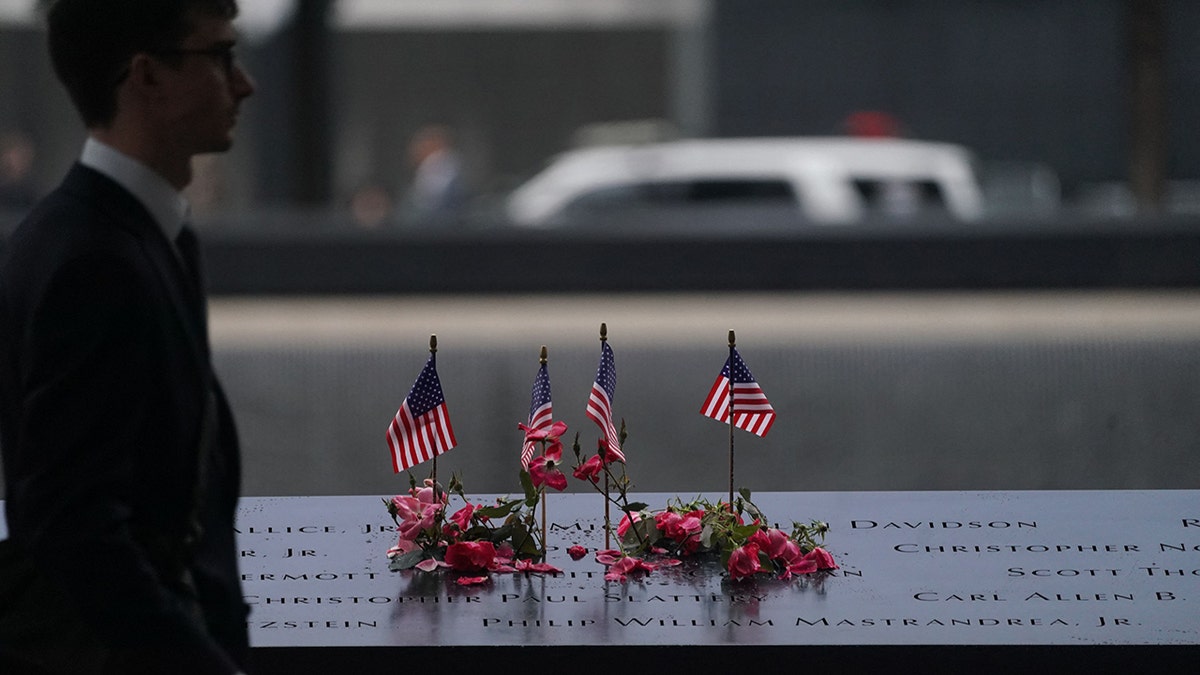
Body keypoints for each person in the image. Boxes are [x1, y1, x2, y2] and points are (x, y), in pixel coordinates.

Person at [0, 1, 255, 673]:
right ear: (148, 77)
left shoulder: (134, 237)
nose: (244, 83)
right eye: (220, 56)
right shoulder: (95, 261)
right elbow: (73, 526)